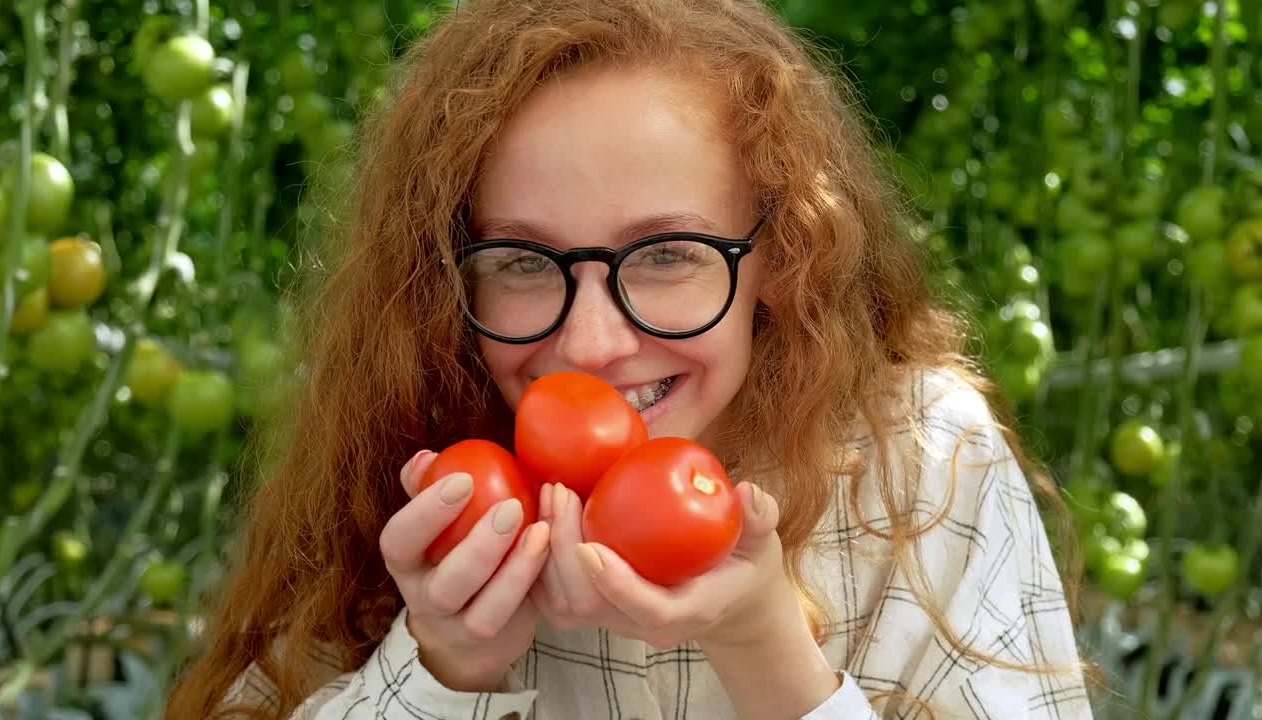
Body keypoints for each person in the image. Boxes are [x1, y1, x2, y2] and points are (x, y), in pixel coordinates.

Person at [165, 0, 1095, 718]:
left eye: (666, 256)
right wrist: (444, 667)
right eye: (525, 262)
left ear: (781, 255)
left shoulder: (924, 462)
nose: (592, 344)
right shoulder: (412, 470)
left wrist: (768, 649)